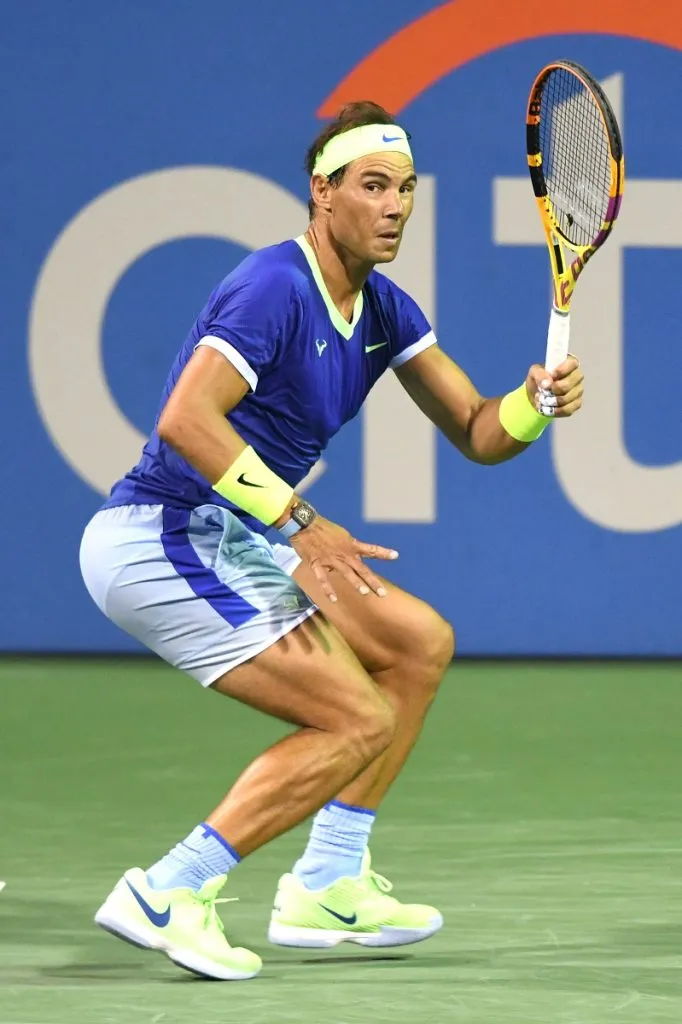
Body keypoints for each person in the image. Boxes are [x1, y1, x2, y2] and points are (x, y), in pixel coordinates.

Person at [79, 100, 584, 981]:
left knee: (417, 645)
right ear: (322, 192)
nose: (395, 206)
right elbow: (187, 421)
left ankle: (328, 883)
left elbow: (474, 426)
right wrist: (303, 526)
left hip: (234, 537)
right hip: (162, 536)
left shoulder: (384, 307)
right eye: (374, 186)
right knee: (356, 717)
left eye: (407, 190)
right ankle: (170, 891)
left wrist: (533, 406)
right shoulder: (274, 285)